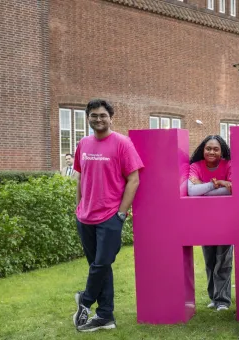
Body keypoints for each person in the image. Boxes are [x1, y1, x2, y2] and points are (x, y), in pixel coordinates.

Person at [73, 99, 144, 332]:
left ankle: (84, 300)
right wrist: (79, 207)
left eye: (102, 115)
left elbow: (134, 179)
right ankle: (105, 316)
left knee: (102, 263)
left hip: (110, 216)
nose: (98, 119)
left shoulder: (122, 143)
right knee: (100, 267)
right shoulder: (83, 143)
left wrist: (121, 213)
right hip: (85, 217)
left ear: (110, 117)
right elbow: (81, 178)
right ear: (88, 118)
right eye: (93, 115)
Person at [187, 135, 233, 311]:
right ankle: (214, 297)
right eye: (208, 148)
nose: (211, 152)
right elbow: (191, 191)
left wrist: (204, 187)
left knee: (224, 261)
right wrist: (219, 185)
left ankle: (223, 300)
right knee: (210, 261)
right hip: (204, 220)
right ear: (202, 149)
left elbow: (235, 188)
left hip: (226, 220)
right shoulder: (195, 166)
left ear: (222, 151)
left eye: (216, 149)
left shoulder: (228, 165)